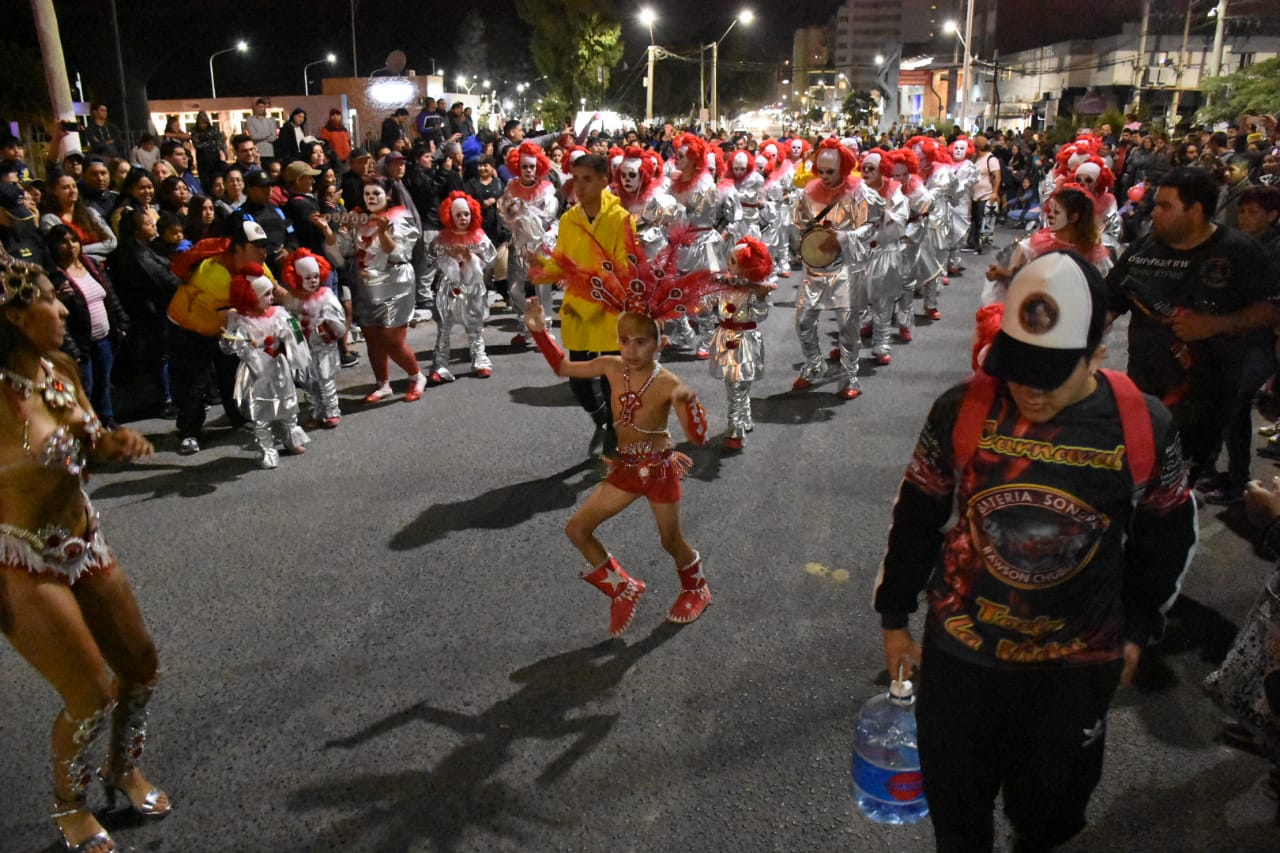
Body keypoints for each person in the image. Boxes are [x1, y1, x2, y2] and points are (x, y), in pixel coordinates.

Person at [875, 251, 1198, 853]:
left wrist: (1139, 627)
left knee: (1047, 818)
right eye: (1016, 368)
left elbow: (1168, 529)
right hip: (961, 659)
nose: (1027, 389)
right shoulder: (963, 409)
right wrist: (895, 619)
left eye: (1049, 375)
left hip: (1073, 670)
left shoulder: (1142, 427)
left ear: (1097, 353)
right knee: (958, 818)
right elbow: (918, 512)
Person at [0, 255, 168, 853]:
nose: (65, 305)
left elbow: (90, 443)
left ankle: (121, 769)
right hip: (21, 558)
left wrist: (113, 444)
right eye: (51, 297)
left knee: (141, 667)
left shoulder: (60, 368)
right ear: (16, 317)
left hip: (83, 539)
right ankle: (67, 804)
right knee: (91, 694)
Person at [523, 239, 720, 636]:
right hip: (626, 469)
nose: (630, 350)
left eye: (641, 342)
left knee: (670, 540)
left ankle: (696, 587)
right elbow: (564, 367)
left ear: (659, 342)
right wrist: (540, 332)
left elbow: (697, 436)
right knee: (577, 529)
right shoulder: (612, 366)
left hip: (659, 470)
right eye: (624, 340)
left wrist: (689, 407)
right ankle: (623, 589)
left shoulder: (668, 382)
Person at [1106, 166, 1280, 505]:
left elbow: (1272, 309)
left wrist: (1214, 324)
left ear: (1196, 210)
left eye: (1165, 206)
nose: (1153, 212)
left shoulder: (1240, 252)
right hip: (1143, 389)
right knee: (1137, 476)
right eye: (1155, 204)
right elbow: (1112, 299)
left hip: (1206, 397)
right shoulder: (1145, 248)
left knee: (1177, 488)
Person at [534, 153, 631, 457]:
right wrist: (537, 265)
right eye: (576, 179)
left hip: (609, 312)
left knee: (611, 379)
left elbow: (623, 268)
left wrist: (592, 288)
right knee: (577, 380)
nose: (580, 186)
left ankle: (615, 432)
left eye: (588, 179)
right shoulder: (568, 219)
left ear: (605, 181)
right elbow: (561, 262)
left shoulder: (621, 219)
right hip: (578, 312)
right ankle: (601, 419)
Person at [319, 176, 426, 402]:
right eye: (367, 194)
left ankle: (416, 376)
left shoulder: (400, 218)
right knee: (372, 334)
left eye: (376, 193)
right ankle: (382, 383)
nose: (371, 198)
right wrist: (329, 232)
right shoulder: (359, 219)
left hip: (396, 280)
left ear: (387, 195)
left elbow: (397, 253)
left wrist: (383, 231)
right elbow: (344, 250)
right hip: (367, 281)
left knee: (391, 337)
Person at [166, 215, 266, 453]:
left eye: (264, 246)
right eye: (257, 247)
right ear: (239, 248)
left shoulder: (256, 265)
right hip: (189, 327)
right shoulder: (214, 273)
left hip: (223, 327)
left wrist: (300, 302)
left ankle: (239, 418)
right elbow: (233, 313)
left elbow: (272, 290)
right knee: (194, 381)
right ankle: (189, 432)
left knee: (232, 374)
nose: (263, 252)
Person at [219, 263, 310, 468]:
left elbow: (293, 335)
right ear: (251, 297)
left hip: (278, 366)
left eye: (271, 293)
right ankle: (267, 450)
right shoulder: (242, 322)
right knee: (261, 412)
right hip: (256, 370)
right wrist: (239, 344)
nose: (271, 297)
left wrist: (290, 339)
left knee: (288, 404)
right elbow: (231, 346)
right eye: (266, 294)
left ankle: (292, 438)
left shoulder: (279, 314)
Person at [47, 223, 129, 429]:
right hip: (79, 344)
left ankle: (107, 420)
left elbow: (109, 295)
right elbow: (57, 317)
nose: (71, 246)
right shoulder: (55, 276)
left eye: (73, 240)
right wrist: (71, 348)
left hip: (104, 338)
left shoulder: (90, 264)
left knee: (103, 384)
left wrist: (121, 321)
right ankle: (88, 429)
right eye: (64, 242)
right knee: (86, 389)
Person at [708, 236, 774, 450]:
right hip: (725, 338)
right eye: (730, 260)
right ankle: (744, 418)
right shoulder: (723, 286)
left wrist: (762, 298)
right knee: (734, 385)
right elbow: (708, 309)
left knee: (739, 384)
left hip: (745, 340)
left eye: (734, 262)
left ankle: (735, 430)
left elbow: (760, 316)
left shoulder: (756, 291)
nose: (728, 265)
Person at [429, 192, 497, 383]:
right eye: (458, 214)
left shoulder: (479, 236)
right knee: (444, 328)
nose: (463, 218)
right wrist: (447, 254)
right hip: (449, 288)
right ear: (450, 215)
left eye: (466, 214)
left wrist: (469, 257)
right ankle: (440, 365)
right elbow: (430, 258)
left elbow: (491, 258)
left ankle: (480, 361)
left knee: (475, 327)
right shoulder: (442, 238)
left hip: (472, 287)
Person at [498, 142, 559, 344]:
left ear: (538, 166)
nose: (529, 171)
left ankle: (546, 326)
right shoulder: (511, 189)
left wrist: (525, 214)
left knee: (543, 290)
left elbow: (547, 218)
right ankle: (528, 324)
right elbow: (504, 214)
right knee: (514, 289)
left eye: (532, 166)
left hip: (540, 247)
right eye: (525, 167)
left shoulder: (546, 191)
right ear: (518, 167)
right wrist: (513, 218)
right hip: (519, 247)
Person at [280, 249, 345, 428]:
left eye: (316, 276)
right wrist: (295, 325)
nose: (313, 281)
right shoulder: (293, 299)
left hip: (322, 347)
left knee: (325, 381)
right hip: (303, 348)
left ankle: (332, 411)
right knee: (308, 384)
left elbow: (337, 321)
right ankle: (315, 412)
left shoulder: (326, 297)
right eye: (308, 277)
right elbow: (288, 319)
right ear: (297, 278)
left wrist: (322, 325)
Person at [38, 174, 117, 262]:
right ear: (54, 192)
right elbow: (61, 250)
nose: (72, 191)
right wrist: (96, 253)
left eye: (74, 186)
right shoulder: (50, 220)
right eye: (65, 188)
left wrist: (81, 249)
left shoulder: (90, 212)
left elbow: (111, 242)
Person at [190, 111, 227, 184]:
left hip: (214, 157)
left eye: (204, 123)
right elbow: (197, 145)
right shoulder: (195, 131)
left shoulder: (213, 129)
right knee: (205, 180)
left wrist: (207, 142)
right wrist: (210, 142)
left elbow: (219, 141)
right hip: (203, 159)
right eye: (201, 123)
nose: (203, 125)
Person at [244, 98, 278, 165]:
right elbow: (253, 137)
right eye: (260, 107)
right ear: (256, 107)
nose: (262, 109)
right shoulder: (250, 120)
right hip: (257, 152)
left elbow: (273, 138)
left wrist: (259, 136)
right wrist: (267, 133)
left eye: (263, 107)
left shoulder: (270, 121)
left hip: (269, 153)